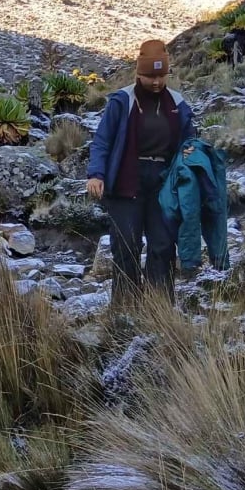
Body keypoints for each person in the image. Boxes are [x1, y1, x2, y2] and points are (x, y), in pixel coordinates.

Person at [86, 40, 196, 303]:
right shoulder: (122, 101)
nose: (156, 82)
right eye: (150, 76)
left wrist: (190, 153)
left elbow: (189, 140)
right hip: (127, 178)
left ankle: (160, 308)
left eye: (161, 76)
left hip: (163, 183)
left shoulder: (178, 104)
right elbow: (102, 140)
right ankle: (126, 309)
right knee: (127, 244)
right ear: (139, 73)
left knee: (163, 244)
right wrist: (96, 174)